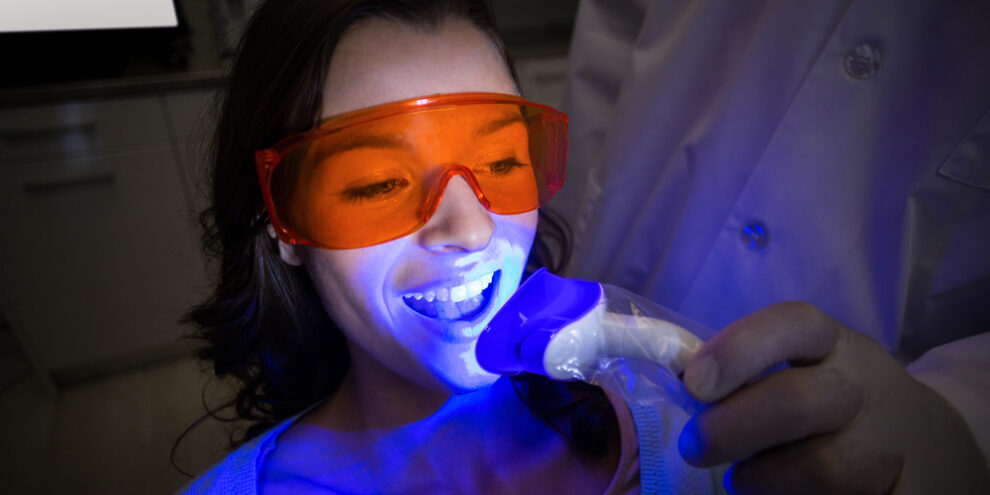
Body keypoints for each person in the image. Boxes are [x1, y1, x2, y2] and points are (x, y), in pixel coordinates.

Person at [179, 0, 720, 493]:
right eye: (379, 183)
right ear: (282, 223)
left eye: (502, 162)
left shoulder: (693, 440)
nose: (472, 230)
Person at [555, 0, 990, 493]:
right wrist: (566, 244)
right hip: (604, 296)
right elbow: (614, 35)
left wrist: (967, 413)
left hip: (872, 431)